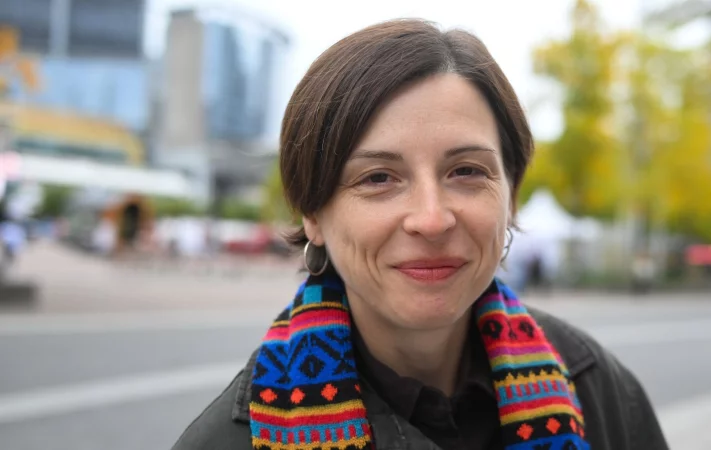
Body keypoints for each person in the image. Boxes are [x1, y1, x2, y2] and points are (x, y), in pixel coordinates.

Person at [173, 19, 668, 450]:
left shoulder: (599, 392)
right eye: (378, 178)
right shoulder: (229, 443)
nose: (431, 220)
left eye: (467, 171)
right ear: (313, 214)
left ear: (511, 195)